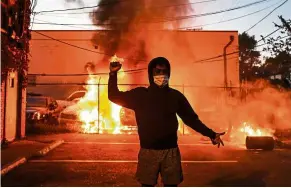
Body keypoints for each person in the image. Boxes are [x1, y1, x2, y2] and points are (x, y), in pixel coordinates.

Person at [108, 57, 225, 187]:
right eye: (157, 71)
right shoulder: (140, 95)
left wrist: (212, 134)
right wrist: (113, 74)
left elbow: (191, 119)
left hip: (171, 152)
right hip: (148, 152)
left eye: (164, 72)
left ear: (169, 74)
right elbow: (114, 96)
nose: (161, 75)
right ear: (151, 74)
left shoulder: (175, 96)